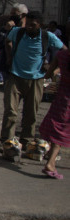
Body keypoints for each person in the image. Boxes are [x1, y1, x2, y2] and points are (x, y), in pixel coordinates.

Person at [2, 11, 66, 149]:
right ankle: (7, 141)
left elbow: (64, 52)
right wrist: (9, 56)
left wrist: (54, 70)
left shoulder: (47, 36)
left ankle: (26, 140)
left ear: (40, 25)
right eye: (28, 24)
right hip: (15, 76)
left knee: (30, 113)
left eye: (33, 25)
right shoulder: (18, 32)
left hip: (36, 79)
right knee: (11, 111)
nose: (29, 27)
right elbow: (7, 41)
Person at [39, 48, 69, 179]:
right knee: (61, 131)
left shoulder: (61, 55)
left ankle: (50, 159)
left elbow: (49, 74)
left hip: (61, 98)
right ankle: (50, 163)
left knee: (58, 128)